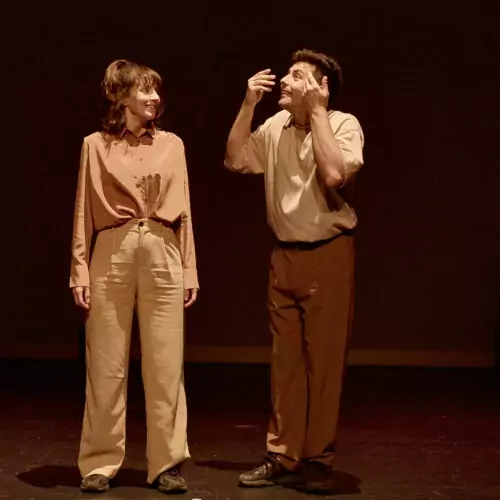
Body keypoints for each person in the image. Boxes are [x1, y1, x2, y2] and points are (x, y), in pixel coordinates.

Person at [224, 49, 364, 493]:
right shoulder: (275, 126)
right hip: (284, 256)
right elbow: (236, 160)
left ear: (320, 89)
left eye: (297, 76)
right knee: (285, 364)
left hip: (327, 252)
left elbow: (334, 174)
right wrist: (248, 104)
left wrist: (318, 113)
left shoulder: (343, 124)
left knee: (323, 364)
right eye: (287, 73)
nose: (284, 80)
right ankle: (283, 456)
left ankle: (318, 459)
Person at [70, 59, 199, 494]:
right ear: (121, 96)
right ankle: (100, 462)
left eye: (156, 90)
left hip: (163, 250)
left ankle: (167, 464)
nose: (154, 98)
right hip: (112, 251)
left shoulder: (173, 145)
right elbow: (83, 212)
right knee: (106, 364)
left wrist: (189, 268)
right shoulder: (95, 145)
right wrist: (79, 269)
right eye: (145, 90)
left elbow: (184, 212)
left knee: (166, 365)